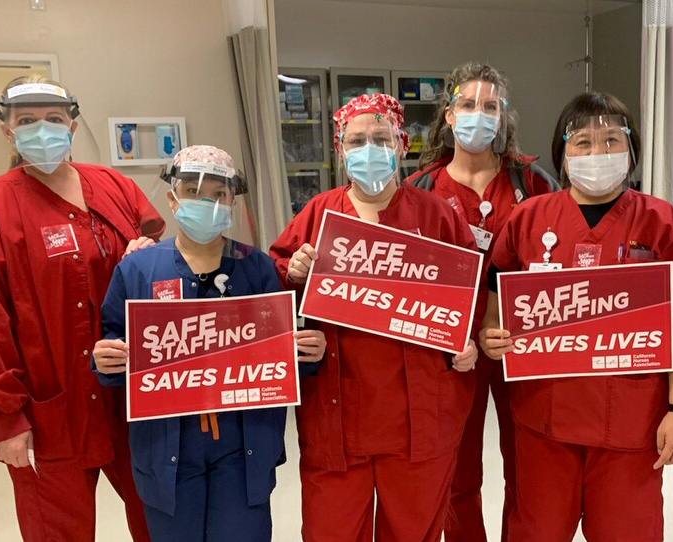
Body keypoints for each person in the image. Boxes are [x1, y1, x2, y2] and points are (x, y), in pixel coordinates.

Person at [479, 92, 673, 542]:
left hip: (631, 425)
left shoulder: (662, 223)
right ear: (563, 154)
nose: (597, 152)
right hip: (544, 421)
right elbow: (494, 304)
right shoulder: (527, 219)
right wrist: (491, 335)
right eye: (582, 142)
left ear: (632, 149)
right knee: (536, 532)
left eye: (611, 140)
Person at [0, 75, 162, 541]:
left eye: (52, 119)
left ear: (71, 124)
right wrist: (4, 417)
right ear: (7, 130)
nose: (41, 130)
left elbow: (162, 262)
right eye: (26, 121)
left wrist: (150, 257)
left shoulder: (112, 186)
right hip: (49, 407)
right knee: (57, 531)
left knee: (160, 518)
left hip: (132, 397)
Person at [269, 93, 479, 542]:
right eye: (357, 140)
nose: (369, 149)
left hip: (420, 415)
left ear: (402, 145)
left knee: (414, 529)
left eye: (380, 138)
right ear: (340, 149)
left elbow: (471, 299)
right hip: (338, 414)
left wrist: (469, 342)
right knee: (332, 529)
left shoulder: (438, 217)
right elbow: (268, 294)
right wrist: (295, 272)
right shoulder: (316, 215)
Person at [92, 145, 326, 542]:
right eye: (193, 191)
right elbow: (112, 341)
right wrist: (107, 358)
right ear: (171, 198)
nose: (208, 202)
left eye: (219, 193)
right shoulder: (137, 270)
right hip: (168, 447)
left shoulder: (257, 268)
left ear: (232, 200)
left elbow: (279, 357)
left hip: (242, 448)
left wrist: (307, 354)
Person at [405, 61, 557, 542]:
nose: (478, 113)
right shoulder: (422, 188)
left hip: (521, 344)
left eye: (489, 105)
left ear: (503, 116)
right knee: (457, 468)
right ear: (448, 114)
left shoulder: (533, 182)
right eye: (467, 104)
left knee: (529, 467)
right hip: (452, 346)